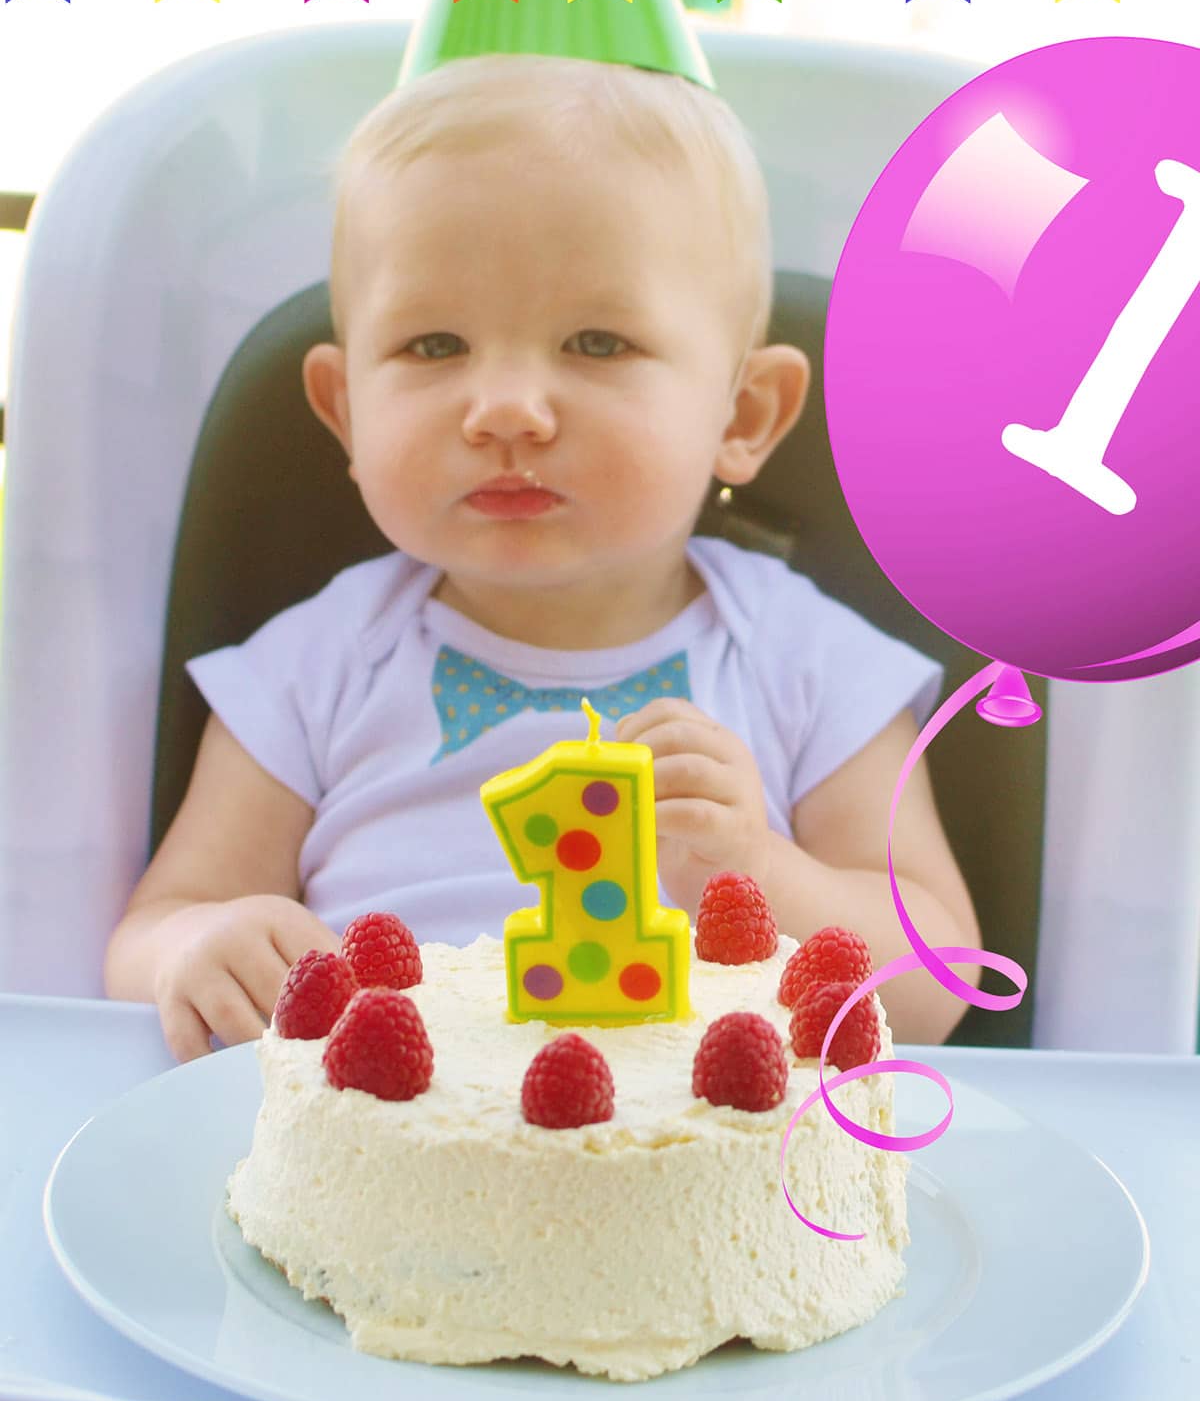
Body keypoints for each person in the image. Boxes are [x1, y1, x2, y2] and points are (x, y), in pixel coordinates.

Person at [104, 52, 980, 1062]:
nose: (507, 409)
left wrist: (756, 872)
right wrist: (193, 949)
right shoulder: (312, 666)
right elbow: (151, 931)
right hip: (381, 1162)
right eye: (435, 346)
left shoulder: (808, 664)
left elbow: (938, 981)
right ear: (346, 411)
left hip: (697, 1172)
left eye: (596, 343)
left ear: (742, 415)